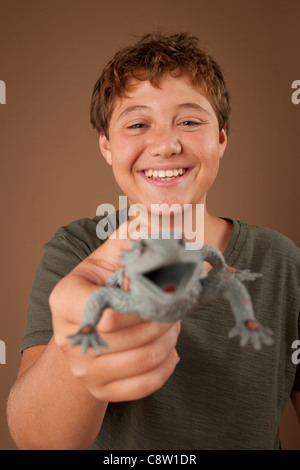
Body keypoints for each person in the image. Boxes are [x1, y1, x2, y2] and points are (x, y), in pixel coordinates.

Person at [7, 31, 300, 450]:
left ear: (221, 138)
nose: (166, 145)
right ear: (107, 146)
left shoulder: (283, 261)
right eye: (138, 124)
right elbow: (37, 440)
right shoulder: (74, 251)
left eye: (190, 121)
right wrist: (79, 349)